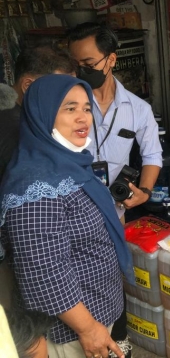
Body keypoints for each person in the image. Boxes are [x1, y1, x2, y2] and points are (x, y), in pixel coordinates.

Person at [0, 74, 133, 358]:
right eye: (69, 108)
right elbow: (45, 272)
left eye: (86, 108)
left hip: (95, 313)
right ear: (43, 114)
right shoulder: (35, 187)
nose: (83, 118)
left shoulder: (67, 163)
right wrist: (87, 329)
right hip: (71, 331)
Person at [68, 22, 162, 358]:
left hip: (113, 208)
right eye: (76, 64)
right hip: (72, 207)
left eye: (89, 64)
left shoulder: (137, 109)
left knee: (110, 273)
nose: (81, 70)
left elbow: (152, 155)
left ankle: (116, 336)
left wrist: (145, 191)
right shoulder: (68, 106)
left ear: (111, 60)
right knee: (74, 275)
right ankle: (85, 336)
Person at [0, 45, 77, 309]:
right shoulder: (16, 134)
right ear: (28, 85)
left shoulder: (29, 124)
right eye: (60, 90)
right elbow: (36, 255)